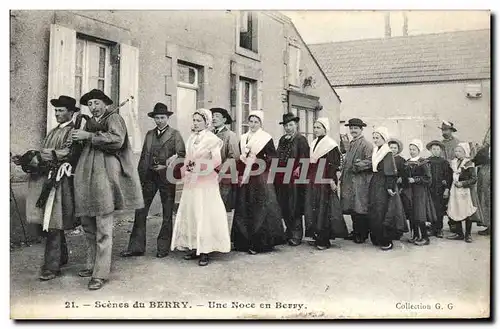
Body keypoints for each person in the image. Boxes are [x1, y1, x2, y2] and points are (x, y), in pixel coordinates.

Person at [71, 89, 144, 290]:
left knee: (103, 227)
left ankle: (100, 273)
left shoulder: (115, 118)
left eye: (96, 103)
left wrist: (89, 136)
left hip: (105, 178)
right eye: (90, 104)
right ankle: (91, 265)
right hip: (86, 178)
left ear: (105, 103)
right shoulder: (89, 122)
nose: (93, 107)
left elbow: (117, 141)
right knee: (87, 223)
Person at [12, 96, 81, 281]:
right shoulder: (53, 131)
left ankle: (52, 266)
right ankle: (61, 257)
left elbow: (68, 152)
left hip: (58, 181)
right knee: (49, 222)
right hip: (44, 180)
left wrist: (39, 156)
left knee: (53, 223)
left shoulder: (73, 131)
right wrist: (25, 159)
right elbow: (44, 154)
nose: (57, 113)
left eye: (61, 110)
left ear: (71, 112)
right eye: (56, 110)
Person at [121, 103, 186, 259]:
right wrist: (139, 177)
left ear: (168, 118)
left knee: (167, 212)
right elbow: (144, 156)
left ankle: (163, 247)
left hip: (166, 178)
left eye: (162, 118)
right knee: (141, 210)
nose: (159, 121)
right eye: (157, 118)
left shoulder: (175, 134)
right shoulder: (150, 134)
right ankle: (136, 247)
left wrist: (171, 162)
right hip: (149, 177)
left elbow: (182, 154)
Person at [171, 109, 230, 266]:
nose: (195, 123)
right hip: (192, 180)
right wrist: (187, 168)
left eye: (198, 120)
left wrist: (200, 167)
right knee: (192, 211)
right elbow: (188, 158)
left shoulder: (212, 139)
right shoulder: (191, 138)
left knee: (205, 212)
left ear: (206, 122)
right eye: (194, 120)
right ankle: (194, 245)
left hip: (206, 180)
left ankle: (205, 250)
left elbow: (217, 161)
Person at [232, 110, 285, 254]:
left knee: (259, 207)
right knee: (244, 206)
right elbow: (239, 157)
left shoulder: (265, 138)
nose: (253, 124)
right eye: (251, 121)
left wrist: (258, 161)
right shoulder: (243, 138)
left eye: (256, 122)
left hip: (259, 175)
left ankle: (259, 243)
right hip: (246, 175)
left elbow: (273, 158)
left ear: (260, 124)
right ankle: (243, 242)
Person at [304, 117, 347, 250]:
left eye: (319, 127)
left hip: (324, 177)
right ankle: (316, 235)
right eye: (315, 127)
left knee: (324, 208)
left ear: (325, 129)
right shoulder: (314, 142)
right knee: (314, 206)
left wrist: (331, 180)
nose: (316, 130)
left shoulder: (331, 145)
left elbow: (333, 165)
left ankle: (324, 239)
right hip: (313, 177)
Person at [274, 112, 310, 246]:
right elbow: (278, 156)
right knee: (284, 204)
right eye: (286, 125)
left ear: (296, 125)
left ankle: (296, 234)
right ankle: (288, 231)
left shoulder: (301, 139)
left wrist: (300, 169)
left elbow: (305, 158)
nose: (288, 128)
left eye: (291, 125)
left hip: (295, 177)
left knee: (294, 204)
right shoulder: (283, 139)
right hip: (282, 175)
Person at [367, 127, 404, 250]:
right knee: (375, 209)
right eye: (374, 137)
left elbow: (390, 171)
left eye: (378, 138)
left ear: (384, 138)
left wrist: (389, 187)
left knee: (383, 210)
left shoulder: (386, 152)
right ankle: (377, 237)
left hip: (383, 183)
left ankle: (386, 240)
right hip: (375, 182)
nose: (375, 140)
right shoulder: (376, 150)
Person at [340, 118, 373, 244]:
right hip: (350, 180)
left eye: (356, 128)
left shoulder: (366, 144)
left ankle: (362, 234)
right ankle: (355, 231)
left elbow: (370, 161)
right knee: (353, 207)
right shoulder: (351, 144)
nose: (353, 130)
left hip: (360, 181)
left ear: (361, 129)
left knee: (360, 207)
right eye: (351, 128)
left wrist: (357, 166)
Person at [401, 139, 437, 246]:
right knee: (412, 214)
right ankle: (415, 235)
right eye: (410, 149)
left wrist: (415, 180)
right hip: (409, 191)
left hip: (420, 192)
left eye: (414, 149)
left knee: (420, 214)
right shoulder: (407, 162)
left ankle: (425, 238)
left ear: (419, 150)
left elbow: (428, 179)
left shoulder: (423, 162)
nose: (412, 151)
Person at [210, 107, 240, 231]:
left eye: (217, 116)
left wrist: (219, 170)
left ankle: (220, 238)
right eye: (213, 116)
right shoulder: (209, 134)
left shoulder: (230, 136)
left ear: (224, 119)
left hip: (223, 178)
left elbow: (234, 157)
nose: (214, 118)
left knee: (221, 208)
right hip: (208, 177)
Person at [447, 143, 478, 243]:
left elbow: (474, 179)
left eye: (460, 151)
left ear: (465, 152)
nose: (457, 153)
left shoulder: (468, 163)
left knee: (466, 211)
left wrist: (463, 183)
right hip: (455, 190)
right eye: (456, 151)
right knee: (456, 209)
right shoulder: (454, 163)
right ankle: (459, 233)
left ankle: (468, 234)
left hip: (465, 191)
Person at [426, 140, 453, 238]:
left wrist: (446, 189)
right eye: (433, 149)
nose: (436, 151)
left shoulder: (444, 162)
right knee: (430, 209)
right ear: (430, 150)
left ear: (441, 150)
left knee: (439, 209)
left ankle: (439, 229)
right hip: (430, 189)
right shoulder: (427, 161)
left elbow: (448, 176)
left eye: (438, 149)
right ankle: (432, 228)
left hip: (440, 190)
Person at [472, 131, 491, 236]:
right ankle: (489, 225)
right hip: (485, 175)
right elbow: (476, 160)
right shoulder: (485, 149)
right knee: (486, 199)